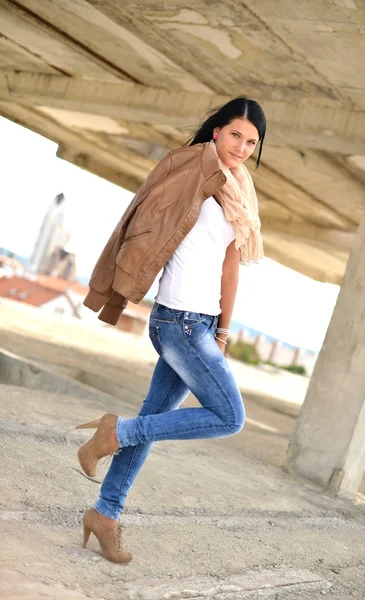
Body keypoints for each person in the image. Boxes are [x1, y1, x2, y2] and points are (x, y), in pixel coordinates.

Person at [76, 97, 267, 563]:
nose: (242, 147)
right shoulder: (185, 167)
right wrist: (123, 281)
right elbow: (142, 221)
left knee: (152, 426)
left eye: (252, 141)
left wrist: (223, 330)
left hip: (202, 323)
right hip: (177, 319)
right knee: (229, 417)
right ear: (217, 131)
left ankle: (105, 513)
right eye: (236, 134)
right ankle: (115, 431)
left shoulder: (240, 188)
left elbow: (230, 264)